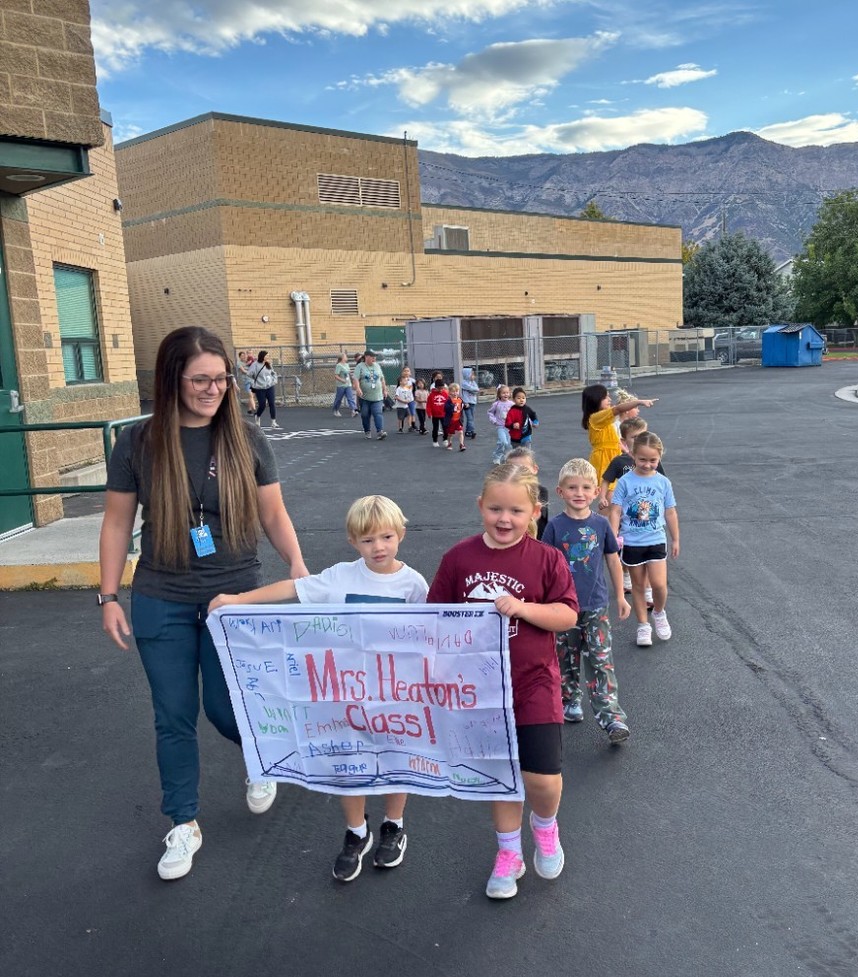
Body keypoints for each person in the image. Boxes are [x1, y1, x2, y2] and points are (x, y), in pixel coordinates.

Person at [99, 326, 308, 881]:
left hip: (234, 594)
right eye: (200, 379)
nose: (213, 389)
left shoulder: (245, 439)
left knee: (224, 706)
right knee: (173, 715)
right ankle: (183, 822)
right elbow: (117, 522)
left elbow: (272, 513)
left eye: (221, 378)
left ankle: (262, 756)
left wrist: (296, 564)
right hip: (161, 595)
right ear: (172, 380)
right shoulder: (138, 443)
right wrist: (108, 595)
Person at [210, 495, 427, 882]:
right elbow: (294, 588)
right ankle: (356, 831)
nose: (378, 547)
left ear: (401, 535)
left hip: (393, 694)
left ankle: (393, 825)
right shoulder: (341, 577)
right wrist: (239, 600)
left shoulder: (413, 585)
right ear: (352, 542)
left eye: (386, 537)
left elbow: (430, 632)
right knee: (349, 762)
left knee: (396, 759)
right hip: (345, 694)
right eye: (367, 540)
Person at [427, 462, 578, 899]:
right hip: (480, 691)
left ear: (535, 511)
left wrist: (523, 608)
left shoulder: (546, 558)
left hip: (533, 684)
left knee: (542, 778)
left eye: (515, 510)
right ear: (480, 506)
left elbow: (567, 614)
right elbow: (434, 617)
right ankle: (509, 853)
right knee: (499, 774)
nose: (505, 519)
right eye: (495, 509)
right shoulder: (459, 558)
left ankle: (545, 827)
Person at [541, 459, 631, 744]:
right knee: (565, 659)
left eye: (585, 488)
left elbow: (613, 560)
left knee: (601, 660)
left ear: (595, 492)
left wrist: (620, 596)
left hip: (596, 606)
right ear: (560, 491)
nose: (578, 493)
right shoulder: (554, 527)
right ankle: (570, 700)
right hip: (562, 608)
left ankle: (611, 717)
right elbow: (544, 567)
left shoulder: (601, 525)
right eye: (572, 487)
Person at [608, 431, 679, 647]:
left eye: (653, 460)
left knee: (659, 585)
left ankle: (658, 612)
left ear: (660, 457)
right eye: (642, 459)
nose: (647, 465)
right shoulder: (624, 482)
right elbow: (615, 510)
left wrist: (675, 539)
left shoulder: (663, 482)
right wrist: (613, 536)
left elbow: (670, 512)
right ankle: (643, 625)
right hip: (632, 542)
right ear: (632, 455)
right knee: (638, 586)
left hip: (656, 539)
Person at [580, 383, 657, 482]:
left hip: (614, 456)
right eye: (605, 397)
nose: (609, 399)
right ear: (595, 399)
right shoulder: (596, 418)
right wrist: (639, 402)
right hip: (604, 459)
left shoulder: (605, 419)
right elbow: (618, 409)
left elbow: (615, 440)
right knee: (607, 486)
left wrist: (628, 453)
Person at [505, 447, 549, 539]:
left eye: (524, 469)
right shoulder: (503, 494)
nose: (519, 474)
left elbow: (541, 521)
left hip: (537, 540)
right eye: (512, 469)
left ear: (535, 469)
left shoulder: (541, 491)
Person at [353, 349, 387, 440]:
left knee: (377, 413)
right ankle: (367, 431)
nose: (374, 359)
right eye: (372, 357)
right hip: (365, 397)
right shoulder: (360, 366)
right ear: (367, 357)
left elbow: (382, 379)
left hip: (377, 396)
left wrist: (384, 390)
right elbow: (356, 379)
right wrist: (358, 388)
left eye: (375, 357)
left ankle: (380, 432)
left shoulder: (377, 366)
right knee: (365, 414)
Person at [248, 349, 280, 428]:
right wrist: (253, 383)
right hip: (260, 388)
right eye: (267, 355)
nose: (268, 357)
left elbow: (273, 373)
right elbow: (249, 375)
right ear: (262, 356)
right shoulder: (255, 365)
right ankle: (257, 416)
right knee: (262, 404)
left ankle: (273, 421)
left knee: (272, 403)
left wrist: (274, 380)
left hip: (269, 386)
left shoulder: (268, 364)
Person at [488, 384, 514, 464]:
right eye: (503, 393)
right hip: (500, 427)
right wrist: (494, 421)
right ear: (499, 394)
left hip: (510, 427)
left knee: (509, 444)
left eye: (507, 392)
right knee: (503, 442)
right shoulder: (496, 404)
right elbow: (490, 412)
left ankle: (507, 457)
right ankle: (497, 456)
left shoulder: (512, 404)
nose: (505, 394)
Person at [332, 351, 357, 418]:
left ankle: (353, 410)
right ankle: (336, 409)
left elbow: (348, 373)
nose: (347, 357)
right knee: (338, 399)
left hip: (348, 385)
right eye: (345, 356)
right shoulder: (339, 365)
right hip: (341, 385)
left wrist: (353, 379)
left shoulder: (347, 365)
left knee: (350, 398)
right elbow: (336, 375)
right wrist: (342, 380)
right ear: (342, 358)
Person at [443, 381, 466, 451]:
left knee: (461, 432)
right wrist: (452, 406)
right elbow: (445, 408)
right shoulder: (448, 401)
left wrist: (466, 406)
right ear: (449, 392)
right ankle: (449, 443)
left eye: (456, 391)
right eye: (453, 391)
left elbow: (463, 406)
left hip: (458, 420)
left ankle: (461, 445)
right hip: (451, 421)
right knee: (450, 434)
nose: (455, 393)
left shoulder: (460, 400)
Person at [427, 377, 449, 447]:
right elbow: (428, 405)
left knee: (445, 427)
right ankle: (435, 440)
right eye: (439, 388)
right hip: (435, 415)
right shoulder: (431, 395)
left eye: (442, 388)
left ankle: (445, 439)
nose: (441, 390)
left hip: (444, 414)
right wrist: (429, 413)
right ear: (436, 387)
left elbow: (448, 404)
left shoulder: (445, 394)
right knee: (435, 428)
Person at [236, 348, 257, 415]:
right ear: (239, 357)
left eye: (244, 355)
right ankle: (255, 410)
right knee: (250, 395)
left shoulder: (248, 361)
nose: (243, 357)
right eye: (242, 356)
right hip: (247, 381)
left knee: (252, 396)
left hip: (253, 380)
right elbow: (243, 371)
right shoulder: (239, 363)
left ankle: (249, 410)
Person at [461, 367, 480, 439]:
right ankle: (471, 431)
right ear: (467, 375)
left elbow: (476, 389)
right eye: (472, 375)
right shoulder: (464, 383)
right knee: (469, 418)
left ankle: (468, 431)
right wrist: (465, 402)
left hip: (473, 402)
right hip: (467, 403)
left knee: (471, 417)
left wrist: (474, 390)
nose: (474, 376)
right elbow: (472, 389)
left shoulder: (473, 382)